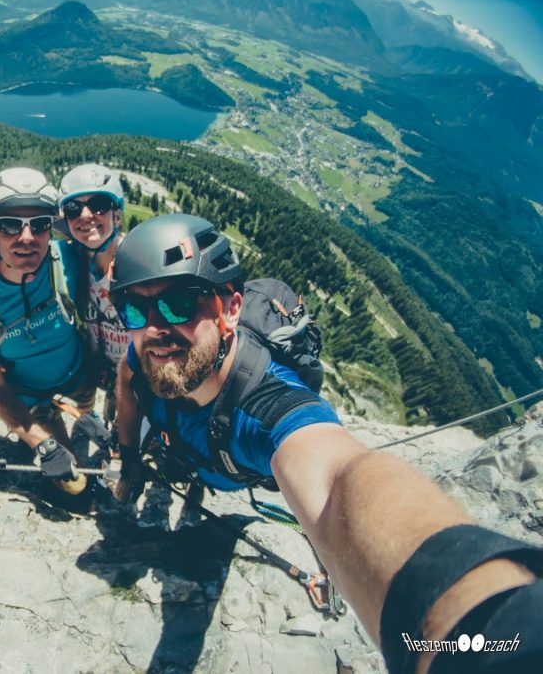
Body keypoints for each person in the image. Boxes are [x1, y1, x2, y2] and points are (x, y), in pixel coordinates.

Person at [108, 214, 543, 674]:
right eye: (134, 310)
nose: (154, 328)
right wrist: (127, 454)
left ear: (230, 309)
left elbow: (338, 480)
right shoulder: (145, 354)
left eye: (178, 304)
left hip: (229, 468)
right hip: (189, 454)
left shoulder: (266, 407)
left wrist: (485, 623)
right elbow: (125, 380)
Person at [0, 168, 95, 483]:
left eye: (39, 225)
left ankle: (88, 416)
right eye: (10, 225)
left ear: (50, 229)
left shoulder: (68, 258)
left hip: (82, 380)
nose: (26, 238)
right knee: (75, 485)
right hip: (33, 400)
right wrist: (41, 443)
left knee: (97, 434)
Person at [58, 163, 130, 421]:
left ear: (117, 215)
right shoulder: (72, 260)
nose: (86, 215)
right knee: (110, 411)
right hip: (98, 365)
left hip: (137, 373)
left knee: (126, 419)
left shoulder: (138, 263)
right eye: (74, 209)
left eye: (99, 204)